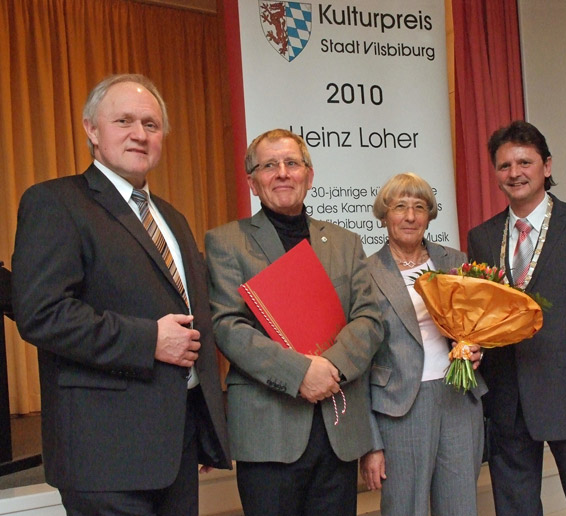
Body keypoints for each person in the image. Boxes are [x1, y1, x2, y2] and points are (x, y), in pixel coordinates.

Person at [11, 74, 231, 515]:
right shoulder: (55, 202)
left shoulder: (172, 217)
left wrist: (203, 424)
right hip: (104, 455)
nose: (139, 134)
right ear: (91, 129)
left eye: (151, 124)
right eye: (124, 120)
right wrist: (148, 340)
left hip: (176, 445)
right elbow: (41, 313)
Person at [204, 128, 383, 516]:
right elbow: (227, 326)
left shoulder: (345, 242)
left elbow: (369, 318)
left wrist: (330, 367)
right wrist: (300, 372)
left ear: (309, 175)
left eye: (292, 163)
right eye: (269, 165)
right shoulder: (226, 242)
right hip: (269, 430)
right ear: (252, 182)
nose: (282, 172)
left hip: (337, 430)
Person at [467, 120, 566, 516]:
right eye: (504, 166)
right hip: (506, 402)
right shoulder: (482, 236)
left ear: (547, 166)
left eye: (525, 162)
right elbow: (482, 314)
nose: (514, 173)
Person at [360, 173, 486, 516]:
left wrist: (477, 348)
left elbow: (476, 324)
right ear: (384, 215)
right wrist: (371, 443)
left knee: (461, 507)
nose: (410, 216)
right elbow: (358, 363)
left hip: (458, 397)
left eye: (419, 207)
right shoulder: (365, 272)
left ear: (430, 215)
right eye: (400, 207)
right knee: (405, 508)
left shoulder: (456, 261)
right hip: (399, 407)